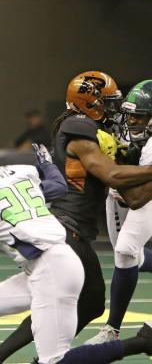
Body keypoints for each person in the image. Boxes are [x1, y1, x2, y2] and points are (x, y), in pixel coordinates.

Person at [0, 130, 152, 364]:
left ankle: (141, 343)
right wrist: (47, 163)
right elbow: (58, 187)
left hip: (51, 270)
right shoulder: (17, 173)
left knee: (54, 361)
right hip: (50, 263)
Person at [0, 70, 152, 364]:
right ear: (89, 103)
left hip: (73, 231)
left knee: (89, 303)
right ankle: (15, 358)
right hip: (66, 229)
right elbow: (111, 175)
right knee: (70, 302)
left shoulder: (89, 130)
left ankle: (3, 357)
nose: (113, 110)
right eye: (108, 103)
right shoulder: (77, 128)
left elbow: (134, 197)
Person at [85, 80, 152, 344]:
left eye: (140, 116)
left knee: (125, 251)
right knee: (126, 257)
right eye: (130, 114)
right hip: (122, 194)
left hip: (142, 196)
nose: (132, 121)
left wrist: (113, 171)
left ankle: (112, 329)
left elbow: (138, 199)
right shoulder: (121, 129)